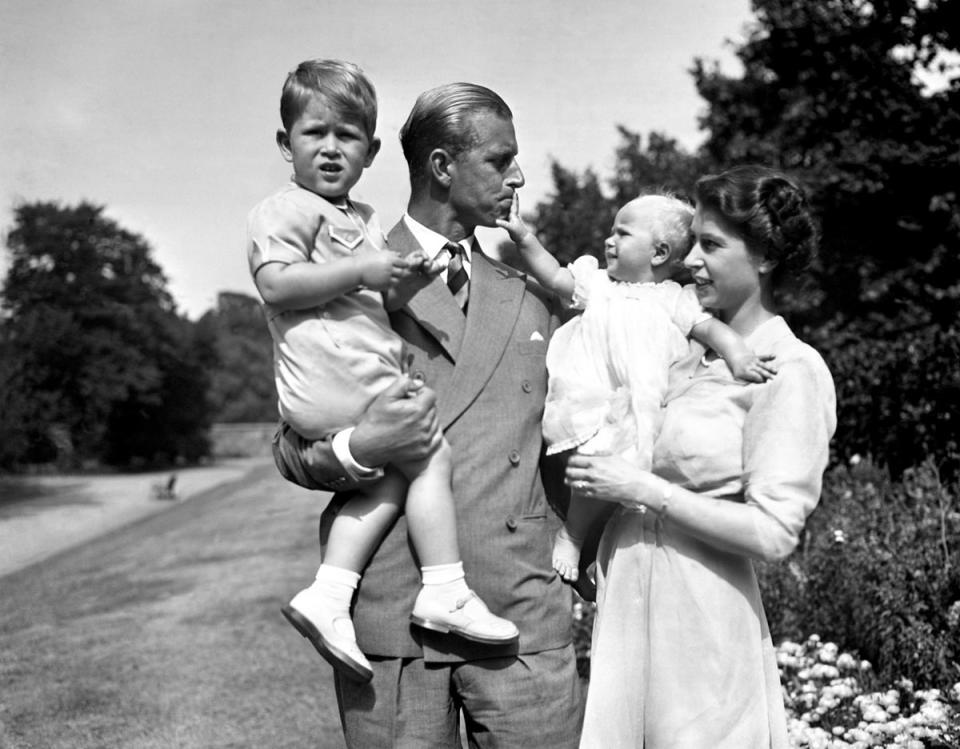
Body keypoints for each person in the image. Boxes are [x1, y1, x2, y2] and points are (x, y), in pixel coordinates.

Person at [272, 82, 584, 748]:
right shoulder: (342, 276)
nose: (518, 176)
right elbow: (291, 447)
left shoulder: (532, 292)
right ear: (442, 167)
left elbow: (585, 425)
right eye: (500, 160)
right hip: (392, 621)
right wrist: (359, 448)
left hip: (519, 613)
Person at [246, 60, 518, 685]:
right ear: (286, 144)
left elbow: (377, 304)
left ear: (370, 152)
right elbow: (277, 286)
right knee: (428, 454)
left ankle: (329, 592)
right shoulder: (283, 211)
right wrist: (366, 271)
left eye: (347, 137)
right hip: (332, 383)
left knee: (399, 474)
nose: (331, 149)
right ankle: (444, 587)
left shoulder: (362, 222)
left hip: (356, 375)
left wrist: (404, 282)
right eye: (315, 134)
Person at [564, 165, 837, 748]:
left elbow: (774, 533)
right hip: (627, 608)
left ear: (764, 257)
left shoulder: (790, 369)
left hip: (702, 623)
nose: (691, 260)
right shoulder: (675, 346)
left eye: (711, 246)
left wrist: (643, 491)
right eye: (693, 243)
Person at [498, 192, 776, 582]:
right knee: (593, 466)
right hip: (592, 397)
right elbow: (555, 276)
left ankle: (599, 550)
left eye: (622, 233)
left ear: (659, 252)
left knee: (624, 483)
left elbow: (711, 329)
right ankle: (573, 535)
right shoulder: (598, 285)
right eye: (611, 232)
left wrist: (738, 354)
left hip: (642, 407)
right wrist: (524, 237)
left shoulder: (675, 300)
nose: (609, 241)